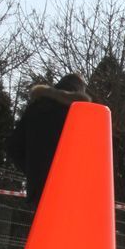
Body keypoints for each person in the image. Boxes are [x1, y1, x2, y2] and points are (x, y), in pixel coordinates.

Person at [6, 73, 92, 207]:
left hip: (38, 188)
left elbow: (13, 147)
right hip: (68, 189)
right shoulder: (80, 113)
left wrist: (33, 169)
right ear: (80, 90)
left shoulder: (36, 107)